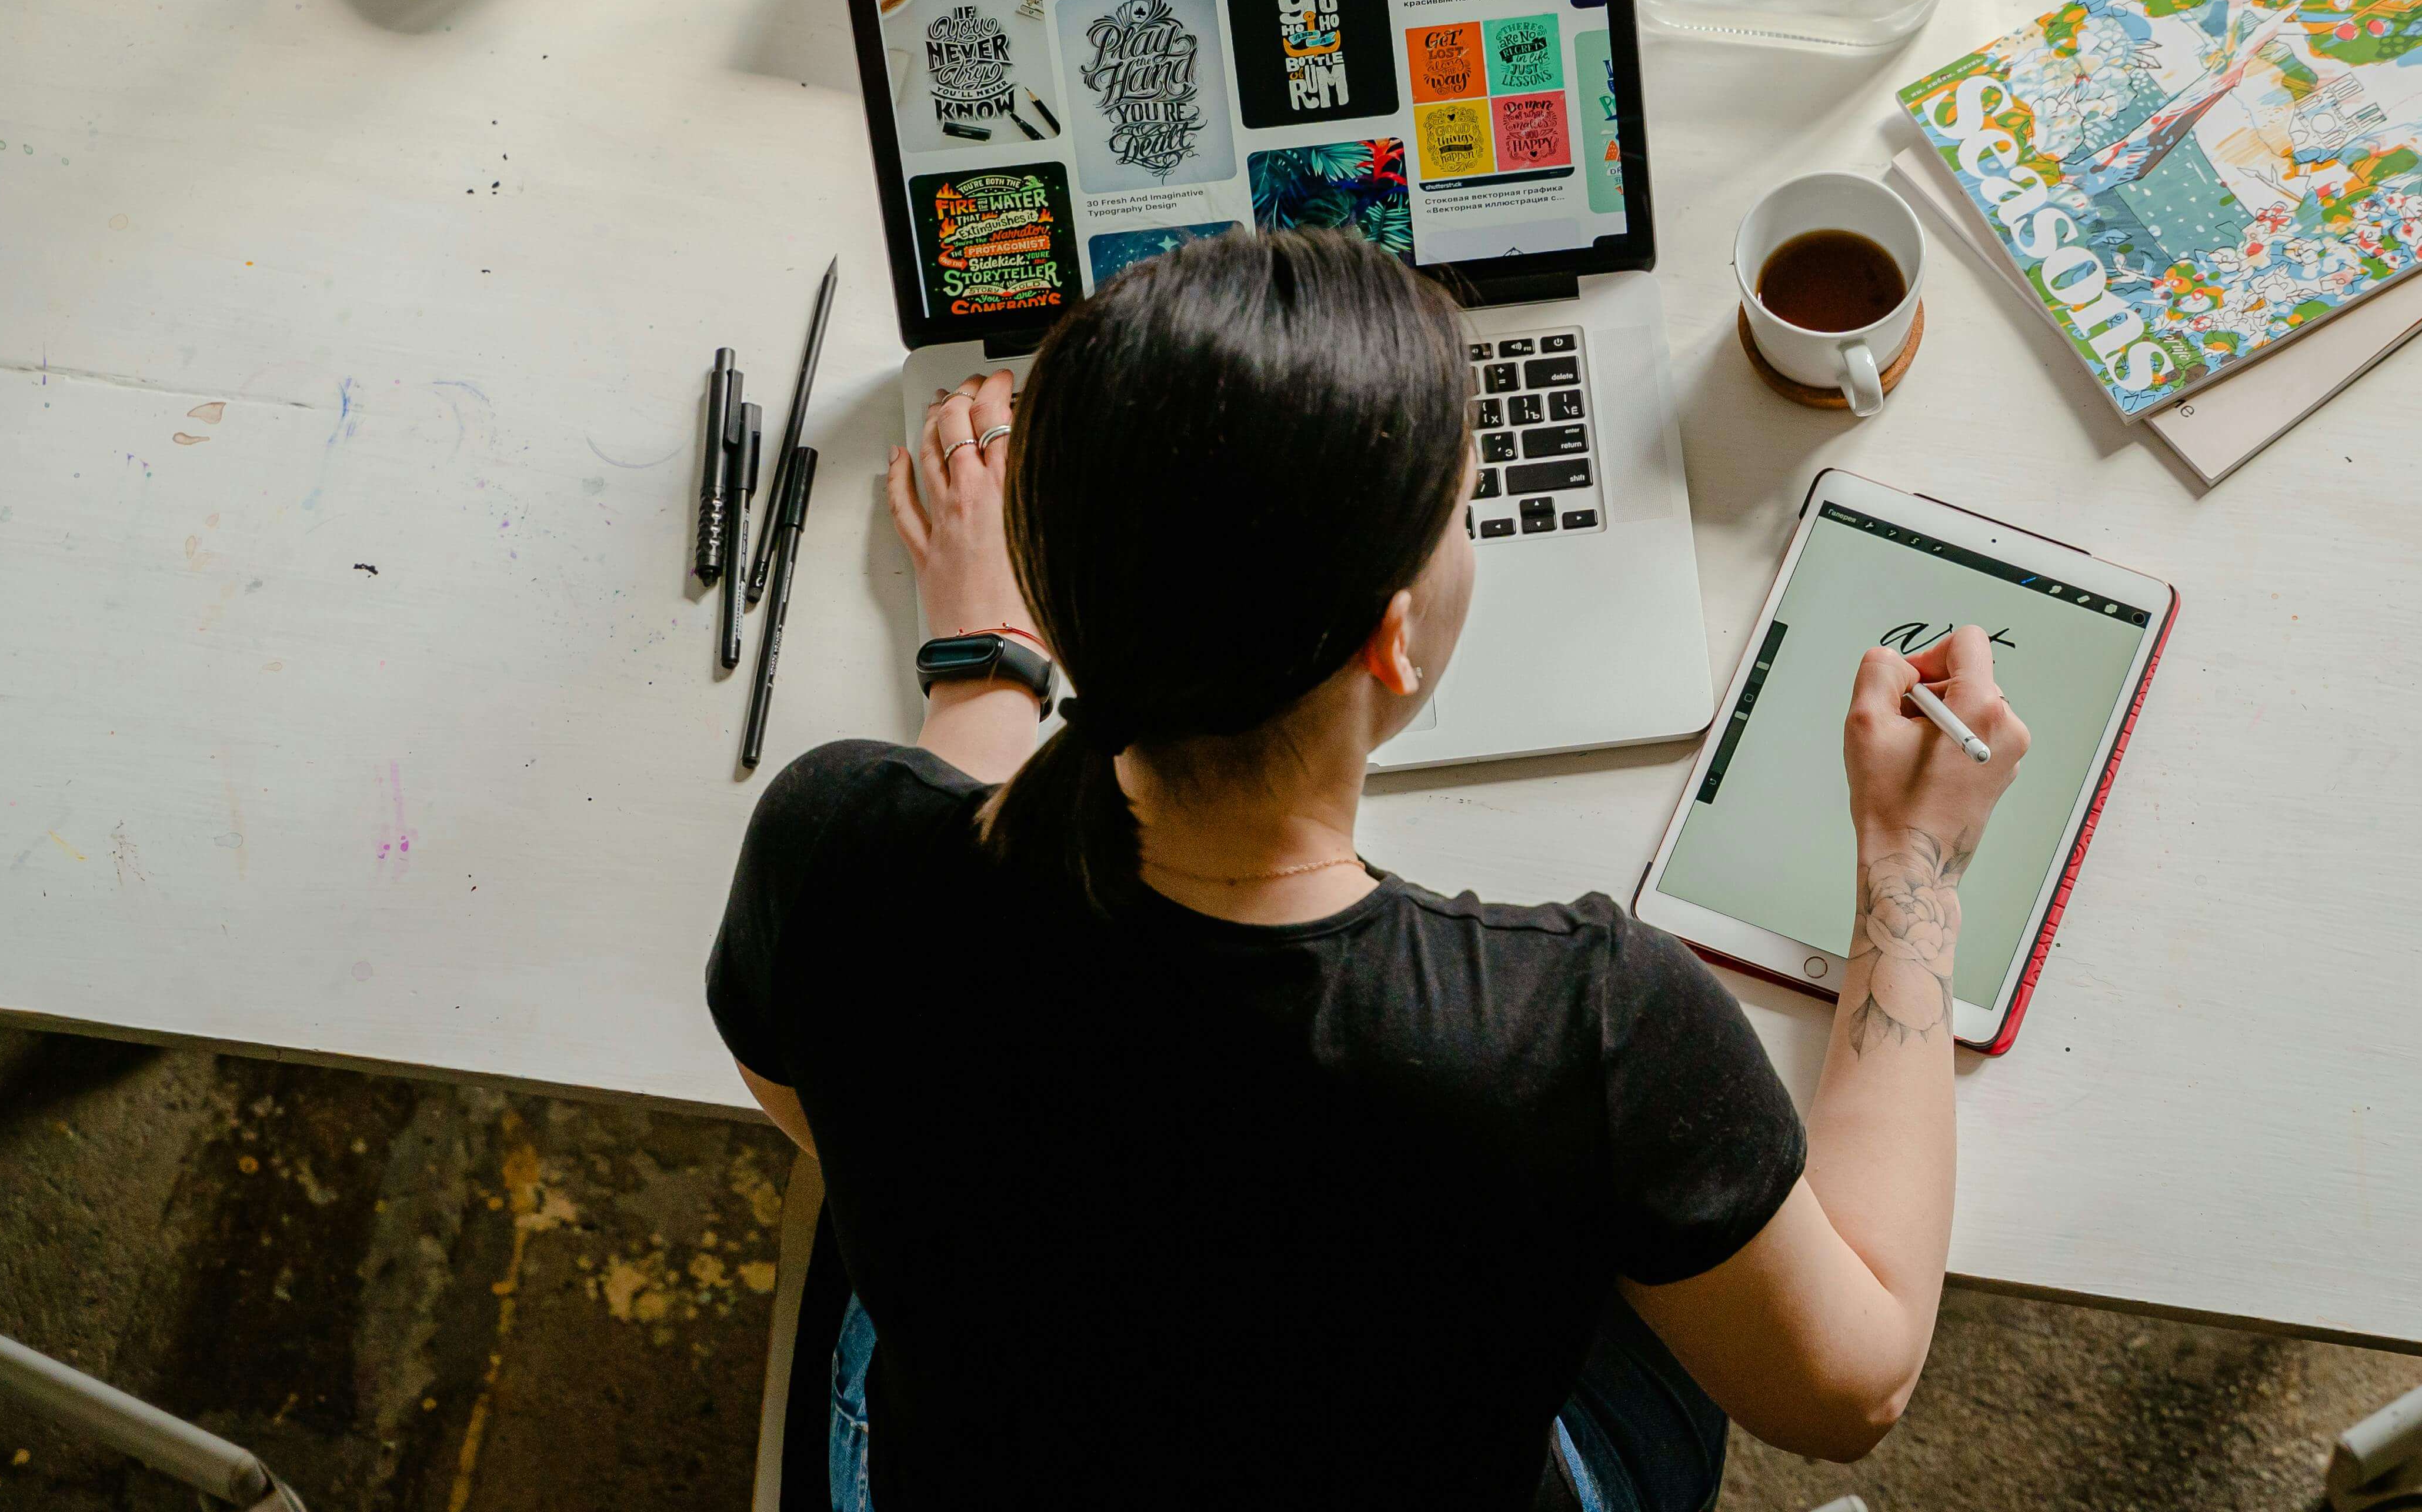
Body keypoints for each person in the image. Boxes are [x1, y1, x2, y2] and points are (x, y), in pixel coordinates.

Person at [708, 229, 2030, 1511]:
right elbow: (1849, 1390)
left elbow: (814, 1093)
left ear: (1059, 589)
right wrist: (1911, 863)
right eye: (1464, 509)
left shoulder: (834, 842)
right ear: (1392, 640)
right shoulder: (1577, 1028)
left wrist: (983, 656)